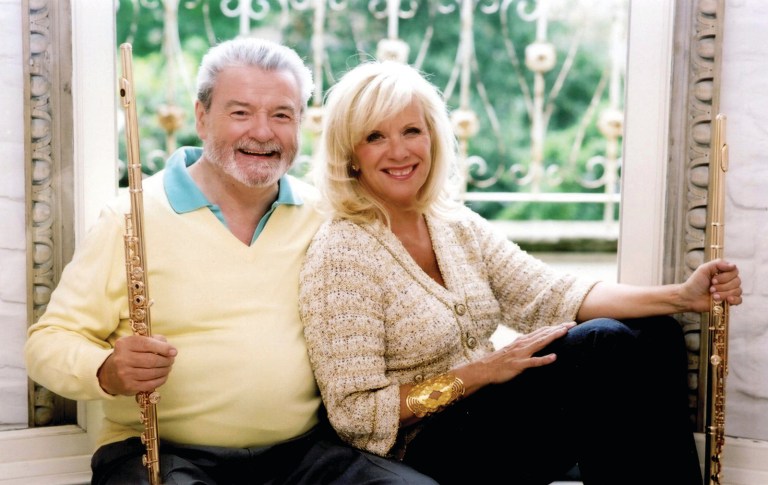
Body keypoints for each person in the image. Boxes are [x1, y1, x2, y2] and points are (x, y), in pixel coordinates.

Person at [298, 59, 743, 485]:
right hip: (423, 448)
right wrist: (481, 372)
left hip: (485, 415)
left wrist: (683, 296)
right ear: (350, 154)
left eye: (411, 130)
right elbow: (357, 415)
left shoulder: (452, 224)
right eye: (375, 136)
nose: (399, 150)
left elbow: (551, 294)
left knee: (654, 332)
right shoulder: (343, 251)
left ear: (432, 137)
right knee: (601, 346)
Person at [24, 38, 437, 485]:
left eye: (281, 115)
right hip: (162, 454)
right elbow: (48, 342)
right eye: (240, 113)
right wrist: (105, 370)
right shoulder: (129, 218)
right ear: (202, 118)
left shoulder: (328, 217)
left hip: (303, 453)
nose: (262, 132)